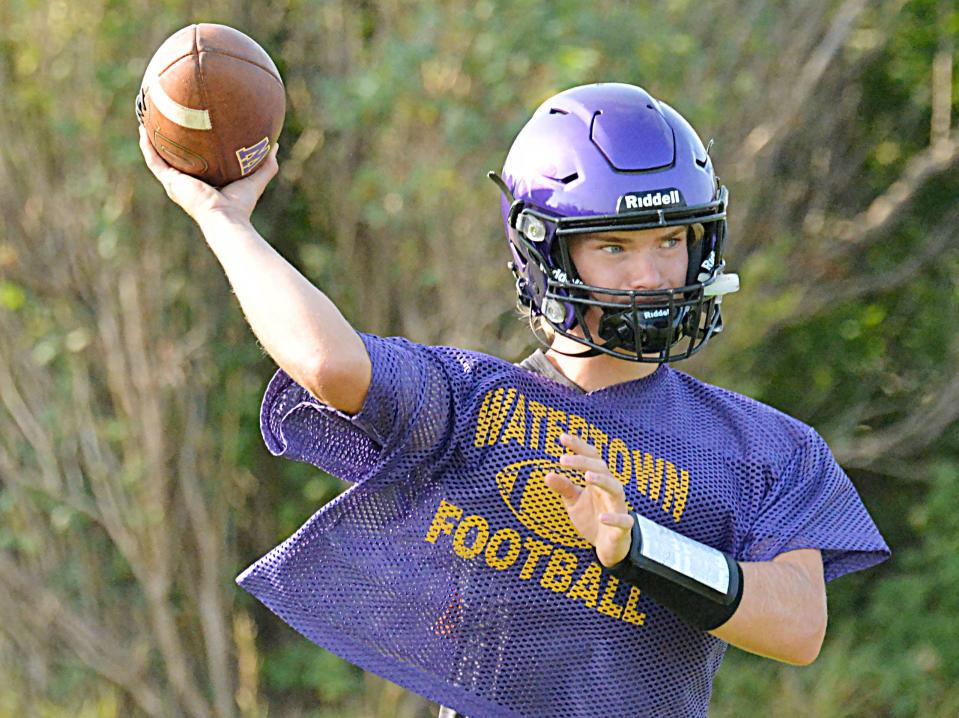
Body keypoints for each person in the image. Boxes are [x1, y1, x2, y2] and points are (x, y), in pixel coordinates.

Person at [139, 82, 890, 718]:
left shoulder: (763, 445)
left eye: (671, 241)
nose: (652, 275)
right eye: (615, 246)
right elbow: (328, 363)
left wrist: (637, 547)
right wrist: (222, 220)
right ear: (544, 251)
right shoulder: (469, 404)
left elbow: (798, 626)